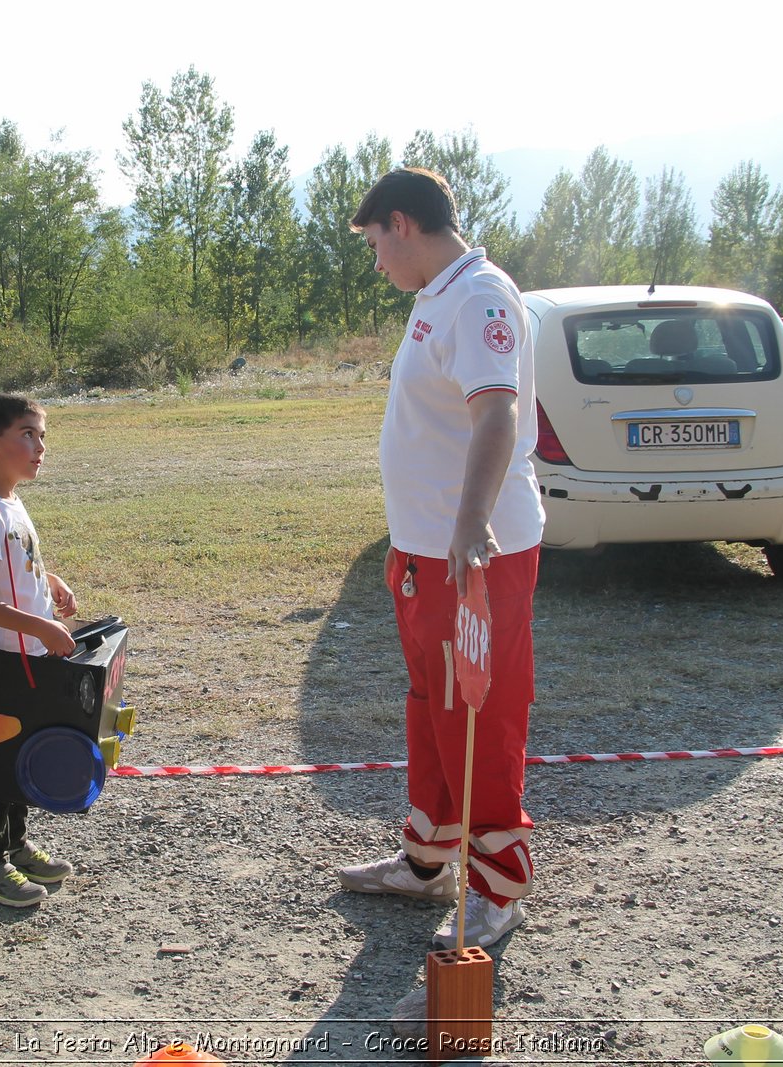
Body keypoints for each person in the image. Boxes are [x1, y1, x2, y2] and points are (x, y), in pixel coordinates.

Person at [336, 168, 546, 951]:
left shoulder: (483, 296)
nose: (376, 262)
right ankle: (427, 860)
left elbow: (497, 417)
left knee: (482, 712)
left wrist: (467, 529)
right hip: (425, 553)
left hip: (474, 556)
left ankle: (498, 887)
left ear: (402, 223)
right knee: (432, 703)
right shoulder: (439, 295)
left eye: (374, 245)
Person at [0, 394, 79, 907]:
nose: (40, 446)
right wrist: (43, 629)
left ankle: (16, 844)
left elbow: (18, 564)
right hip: (2, 658)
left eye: (42, 435)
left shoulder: (11, 503)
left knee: (20, 754)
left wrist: (49, 580)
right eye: (28, 434)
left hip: (27, 655)